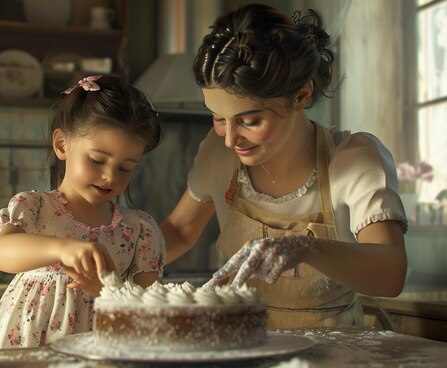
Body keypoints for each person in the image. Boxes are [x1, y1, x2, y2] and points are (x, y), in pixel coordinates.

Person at [160, 4, 408, 329]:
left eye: (249, 120)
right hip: (242, 341)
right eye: (219, 118)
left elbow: (391, 275)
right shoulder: (218, 155)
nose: (230, 138)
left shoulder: (352, 159)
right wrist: (117, 252)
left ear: (301, 95)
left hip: (335, 353)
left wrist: (307, 248)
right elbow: (179, 231)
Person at [0, 75, 165, 348]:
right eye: (96, 160)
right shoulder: (34, 208)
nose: (109, 176)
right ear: (61, 145)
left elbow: (153, 313)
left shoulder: (138, 229)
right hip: (28, 349)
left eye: (125, 168)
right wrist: (62, 249)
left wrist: (109, 290)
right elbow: (0, 252)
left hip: (101, 352)